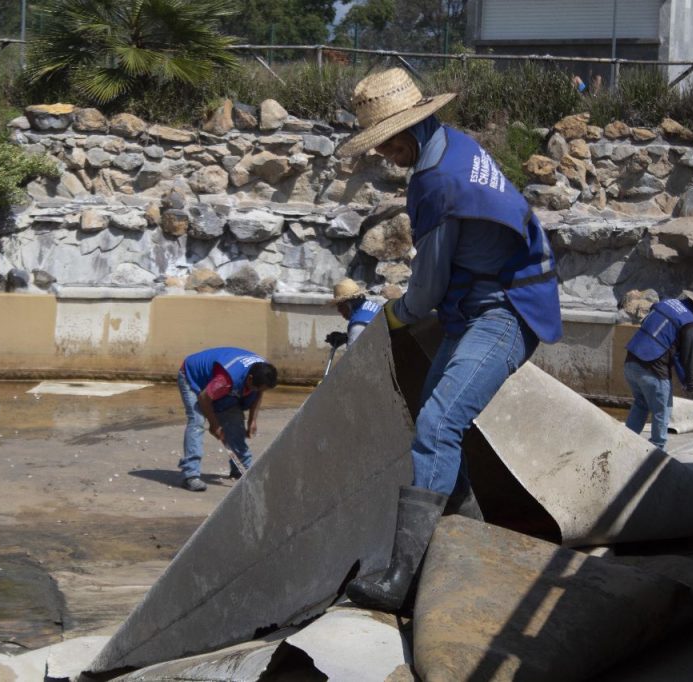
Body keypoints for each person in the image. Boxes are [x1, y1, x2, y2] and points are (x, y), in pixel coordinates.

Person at [335, 68, 563, 613]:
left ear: (410, 129)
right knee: (435, 426)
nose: (386, 155)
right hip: (481, 306)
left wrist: (395, 315)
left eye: (387, 143)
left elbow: (429, 287)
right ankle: (475, 552)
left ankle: (404, 579)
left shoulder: (439, 181)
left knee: (439, 424)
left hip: (505, 312)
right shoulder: (453, 145)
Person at [623, 288, 693, 450]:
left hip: (631, 361)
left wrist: (687, 383)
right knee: (662, 411)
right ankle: (656, 453)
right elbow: (688, 358)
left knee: (641, 403)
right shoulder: (690, 324)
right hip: (653, 369)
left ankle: (622, 443)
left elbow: (675, 354)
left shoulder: (667, 303)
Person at [177, 347, 279, 492]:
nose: (258, 391)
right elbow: (204, 398)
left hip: (217, 383)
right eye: (256, 388)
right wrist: (214, 424)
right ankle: (190, 475)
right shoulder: (226, 379)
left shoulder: (263, 371)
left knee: (235, 420)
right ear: (249, 379)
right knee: (197, 421)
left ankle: (241, 468)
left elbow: (259, 391)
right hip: (193, 377)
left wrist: (252, 420)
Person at [325, 278, 382, 350]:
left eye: (340, 306)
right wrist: (346, 337)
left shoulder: (358, 325)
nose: (338, 310)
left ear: (348, 304)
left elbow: (353, 359)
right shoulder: (371, 306)